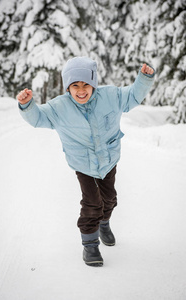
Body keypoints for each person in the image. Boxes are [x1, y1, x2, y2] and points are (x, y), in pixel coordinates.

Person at [17, 56, 155, 267]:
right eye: (75, 86)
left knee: (109, 199)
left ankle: (104, 224)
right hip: (83, 165)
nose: (81, 90)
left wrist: (144, 78)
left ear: (94, 84)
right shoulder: (59, 108)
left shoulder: (111, 96)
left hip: (108, 160)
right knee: (92, 203)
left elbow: (133, 97)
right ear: (67, 87)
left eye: (86, 85)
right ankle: (90, 245)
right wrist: (27, 105)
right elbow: (38, 119)